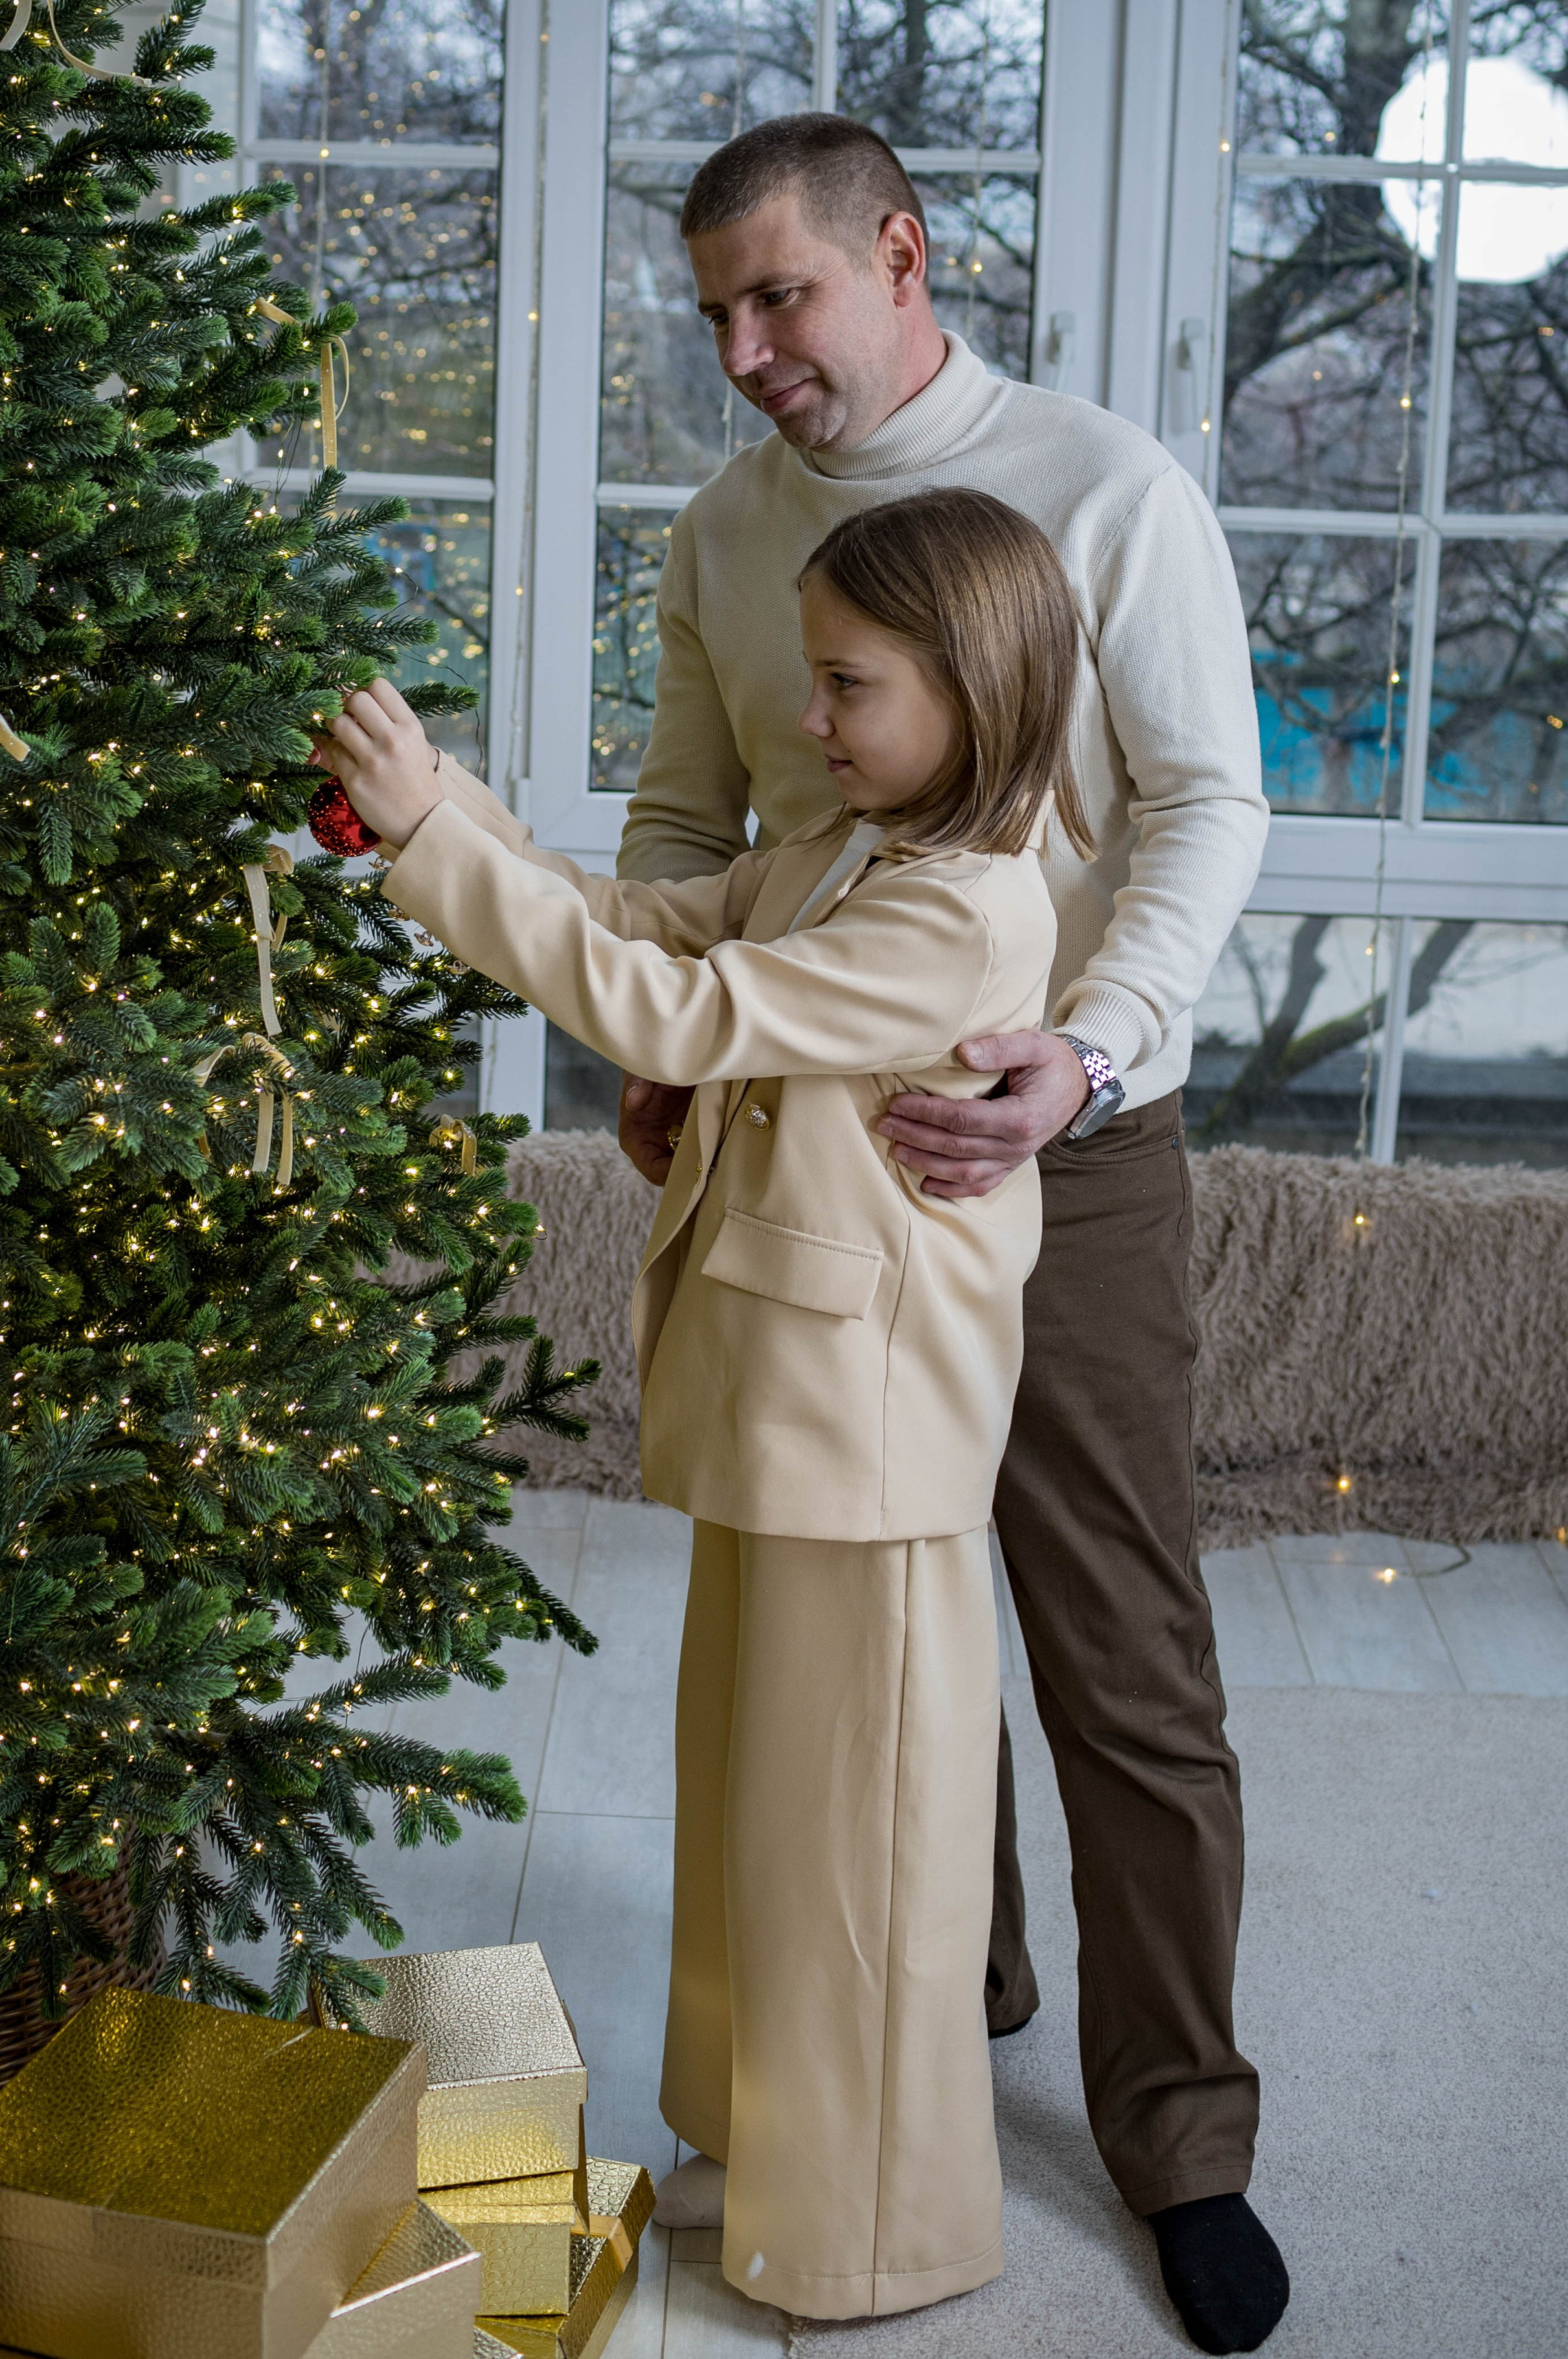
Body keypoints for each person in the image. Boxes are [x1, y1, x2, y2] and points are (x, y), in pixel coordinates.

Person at [609, 112, 1286, 2358]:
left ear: (900, 255)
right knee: (869, 1609)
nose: (742, 349)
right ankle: (943, 1998)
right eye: (714, 310)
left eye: (777, 295)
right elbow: (689, 819)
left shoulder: (1109, 487)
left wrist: (1082, 1052)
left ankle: (1182, 2138)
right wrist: (670, 1050)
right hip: (805, 1149)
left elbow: (1209, 800)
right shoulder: (725, 526)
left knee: (1118, 1647)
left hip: (1065, 1140)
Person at [317, 489, 1091, 2321]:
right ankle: (754, 2143)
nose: (810, 720)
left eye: (848, 684)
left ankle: (873, 2224)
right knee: (750, 1814)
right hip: (784, 1407)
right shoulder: (845, 848)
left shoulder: (966, 909)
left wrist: (435, 838)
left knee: (858, 1857)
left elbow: (669, 1016)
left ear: (972, 692)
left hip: (877, 1437)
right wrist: (456, 812)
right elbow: (631, 920)